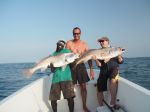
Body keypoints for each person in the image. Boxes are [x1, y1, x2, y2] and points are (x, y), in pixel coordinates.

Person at [66, 27, 94, 112]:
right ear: (73, 34)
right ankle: (72, 109)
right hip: (71, 66)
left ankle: (84, 107)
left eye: (78, 33)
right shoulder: (69, 43)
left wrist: (91, 69)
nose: (76, 35)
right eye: (74, 33)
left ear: (80, 34)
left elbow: (89, 57)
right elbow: (65, 56)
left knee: (83, 87)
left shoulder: (84, 44)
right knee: (71, 88)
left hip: (81, 66)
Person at [92, 37, 123, 111]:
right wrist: (95, 59)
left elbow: (121, 61)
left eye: (103, 41)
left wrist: (119, 55)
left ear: (107, 41)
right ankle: (101, 106)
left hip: (113, 69)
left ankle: (113, 103)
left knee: (113, 81)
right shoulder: (99, 51)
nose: (101, 42)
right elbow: (99, 65)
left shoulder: (114, 49)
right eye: (100, 42)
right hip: (103, 70)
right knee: (99, 88)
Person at [49, 40, 75, 112]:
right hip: (55, 79)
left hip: (66, 78)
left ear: (64, 45)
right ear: (56, 44)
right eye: (58, 44)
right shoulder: (53, 54)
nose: (60, 45)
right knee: (53, 99)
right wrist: (51, 66)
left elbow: (72, 62)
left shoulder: (66, 51)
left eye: (62, 44)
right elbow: (52, 70)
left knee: (70, 98)